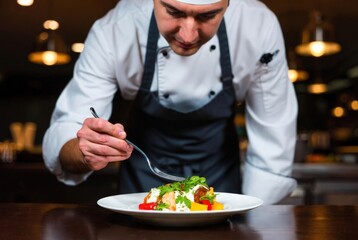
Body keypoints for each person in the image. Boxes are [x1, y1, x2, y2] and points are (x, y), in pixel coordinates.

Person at [43, 0, 298, 204]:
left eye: (207, 16)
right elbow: (68, 130)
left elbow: (273, 144)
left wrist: (250, 217)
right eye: (173, 11)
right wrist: (85, 150)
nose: (188, 36)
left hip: (221, 177)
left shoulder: (258, 26)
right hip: (143, 174)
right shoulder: (115, 29)